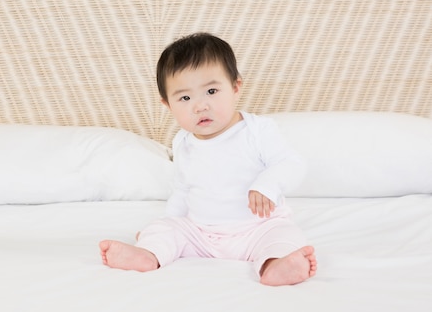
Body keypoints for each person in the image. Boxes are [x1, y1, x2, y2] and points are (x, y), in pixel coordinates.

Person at [99, 32, 317, 286]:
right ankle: (149, 253)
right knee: (163, 229)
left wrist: (266, 185)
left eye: (211, 91)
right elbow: (182, 190)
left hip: (257, 229)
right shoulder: (183, 142)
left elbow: (292, 164)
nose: (200, 106)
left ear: (235, 87)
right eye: (185, 98)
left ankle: (275, 265)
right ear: (168, 105)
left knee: (284, 235)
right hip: (201, 233)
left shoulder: (258, 131)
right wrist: (168, 223)